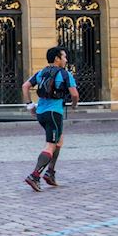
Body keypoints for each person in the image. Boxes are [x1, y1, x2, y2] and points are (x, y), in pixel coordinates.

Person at [22, 46, 79, 190]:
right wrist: (74, 105)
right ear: (57, 59)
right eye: (64, 57)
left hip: (41, 112)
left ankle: (50, 173)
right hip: (54, 113)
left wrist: (30, 105)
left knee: (59, 140)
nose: (66, 60)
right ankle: (35, 176)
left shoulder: (41, 73)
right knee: (50, 144)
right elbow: (75, 94)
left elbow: (25, 86)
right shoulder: (65, 74)